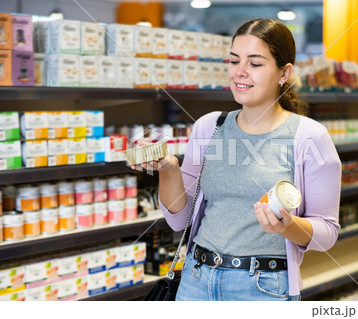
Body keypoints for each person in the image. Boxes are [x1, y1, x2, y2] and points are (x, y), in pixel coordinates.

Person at [133, 18, 341, 301]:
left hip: (263, 288)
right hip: (196, 280)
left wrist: (287, 226)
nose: (240, 72)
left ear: (284, 72)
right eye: (234, 61)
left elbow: (327, 233)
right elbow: (179, 220)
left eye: (255, 64)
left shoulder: (309, 137)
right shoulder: (210, 127)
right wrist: (169, 168)